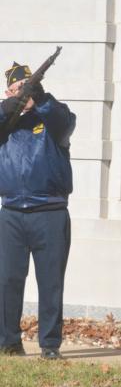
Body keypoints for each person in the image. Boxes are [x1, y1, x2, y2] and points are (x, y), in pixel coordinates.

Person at [0, 61, 76, 359]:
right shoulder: (6, 121)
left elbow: (64, 121)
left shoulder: (52, 116)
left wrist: (39, 98)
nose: (22, 93)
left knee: (51, 281)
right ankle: (8, 341)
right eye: (16, 88)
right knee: (7, 280)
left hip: (50, 211)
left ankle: (49, 344)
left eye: (26, 87)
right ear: (8, 91)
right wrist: (10, 105)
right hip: (12, 212)